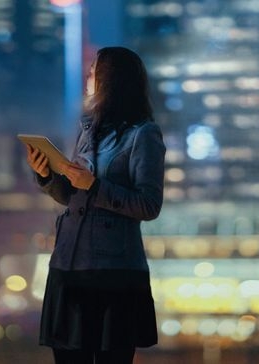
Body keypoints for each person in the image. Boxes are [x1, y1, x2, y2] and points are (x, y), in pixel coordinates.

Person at [24, 46, 165, 364]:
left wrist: (96, 186)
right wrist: (46, 175)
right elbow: (74, 197)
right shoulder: (88, 131)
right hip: (69, 266)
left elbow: (149, 204)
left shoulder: (144, 135)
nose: (88, 76)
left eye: (94, 70)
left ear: (112, 79)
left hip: (113, 274)